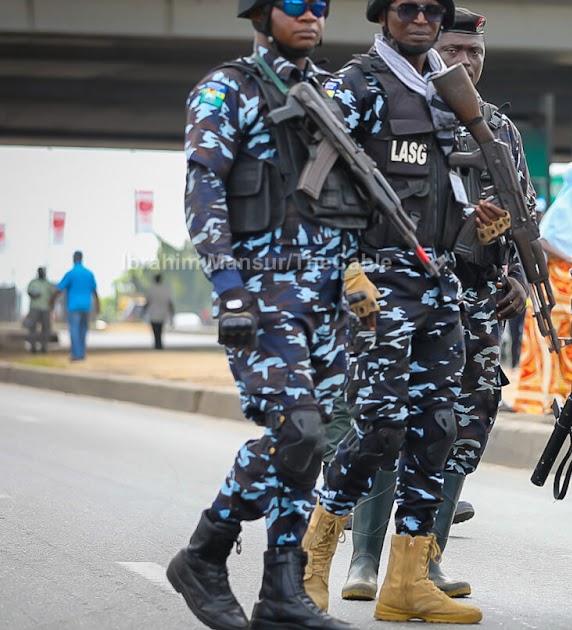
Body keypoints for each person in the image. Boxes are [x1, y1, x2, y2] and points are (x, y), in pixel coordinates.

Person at [168, 1, 369, 628]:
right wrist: (228, 288)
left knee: (316, 445)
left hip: (327, 303)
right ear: (260, 13)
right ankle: (204, 551)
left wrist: (356, 277)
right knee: (299, 432)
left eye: (320, 7)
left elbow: (353, 194)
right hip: (262, 299)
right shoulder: (226, 90)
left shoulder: (331, 96)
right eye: (294, 5)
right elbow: (203, 188)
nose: (311, 16)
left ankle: (281, 589)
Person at [301, 1, 493, 624]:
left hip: (440, 284)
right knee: (380, 429)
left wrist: (480, 230)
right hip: (378, 285)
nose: (421, 18)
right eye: (406, 8)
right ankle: (309, 562)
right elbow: (310, 176)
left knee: (436, 429)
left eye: (431, 9)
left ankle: (406, 583)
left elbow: (448, 191)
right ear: (384, 16)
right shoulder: (358, 85)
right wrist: (344, 266)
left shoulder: (448, 90)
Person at [337, 5, 535, 605]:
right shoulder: (397, 109)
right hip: (400, 292)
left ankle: (425, 562)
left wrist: (517, 277)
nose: (466, 62)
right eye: (457, 51)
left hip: (474, 304)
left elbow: (522, 212)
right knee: (387, 422)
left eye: (476, 54)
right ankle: (364, 560)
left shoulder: (497, 128)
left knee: (459, 431)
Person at [512, 161, 572, 414]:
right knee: (552, 341)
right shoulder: (563, 210)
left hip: (571, 287)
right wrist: (570, 257)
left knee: (571, 343)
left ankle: (571, 396)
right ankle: (543, 398)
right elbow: (543, 240)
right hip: (557, 286)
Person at [56, 251, 98, 362]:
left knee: (74, 330)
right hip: (86, 306)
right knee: (83, 330)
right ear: (82, 258)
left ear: (74, 259)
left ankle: (75, 354)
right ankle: (82, 353)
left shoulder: (70, 274)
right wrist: (98, 304)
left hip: (74, 306)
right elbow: (94, 291)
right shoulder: (89, 274)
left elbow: (59, 289)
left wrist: (51, 301)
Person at [25, 267, 56, 354]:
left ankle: (44, 347)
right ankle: (33, 347)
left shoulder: (48, 284)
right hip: (35, 308)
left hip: (46, 308)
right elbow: (29, 292)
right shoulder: (33, 282)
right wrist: (34, 294)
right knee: (32, 328)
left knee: (46, 328)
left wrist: (52, 310)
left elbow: (52, 297)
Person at [145, 273, 175, 350]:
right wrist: (172, 314)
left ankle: (157, 344)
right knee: (160, 330)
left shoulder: (151, 290)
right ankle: (159, 344)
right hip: (163, 313)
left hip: (153, 314)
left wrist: (143, 312)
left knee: (155, 331)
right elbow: (170, 303)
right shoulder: (166, 290)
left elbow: (147, 302)